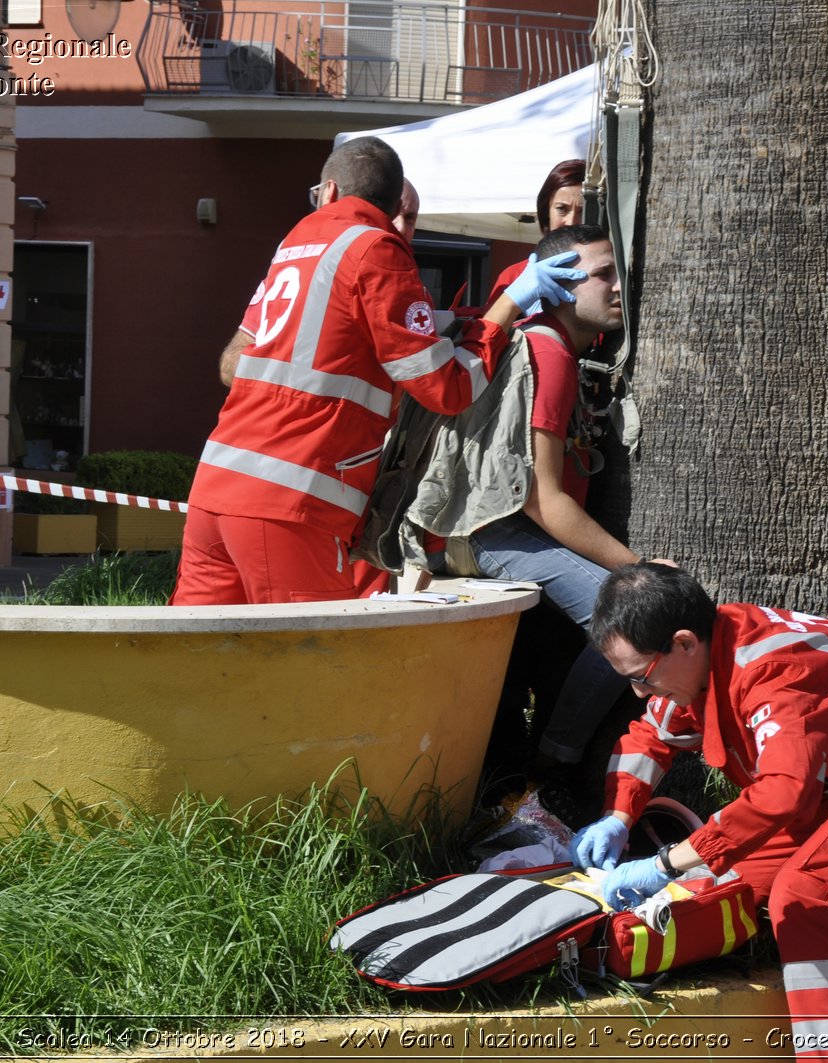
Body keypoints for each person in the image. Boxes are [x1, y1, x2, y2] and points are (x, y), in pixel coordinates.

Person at [571, 564, 828, 1062]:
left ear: (683, 643)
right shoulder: (703, 657)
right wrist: (618, 816)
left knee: (803, 898)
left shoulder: (776, 672)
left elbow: (783, 795)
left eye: (641, 677)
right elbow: (650, 738)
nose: (640, 693)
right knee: (733, 881)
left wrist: (664, 863)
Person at [174, 138, 584, 605]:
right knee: (314, 656)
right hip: (292, 496)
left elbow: (237, 363)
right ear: (392, 205)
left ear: (328, 192)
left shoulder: (295, 245)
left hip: (216, 484)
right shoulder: (378, 250)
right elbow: (447, 390)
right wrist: (506, 307)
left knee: (195, 653)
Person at [463, 224, 643, 780]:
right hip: (496, 535)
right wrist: (639, 571)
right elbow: (543, 498)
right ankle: (551, 769)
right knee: (631, 617)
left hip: (515, 536)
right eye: (602, 274)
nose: (619, 287)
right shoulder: (549, 352)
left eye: (621, 273)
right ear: (560, 285)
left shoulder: (550, 343)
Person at [218, 179, 421, 387]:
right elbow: (230, 365)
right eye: (391, 214)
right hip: (288, 415)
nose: (400, 227)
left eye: (410, 218)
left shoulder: (406, 287)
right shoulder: (303, 266)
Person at [485, 158, 587, 307]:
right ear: (546, 212)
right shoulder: (515, 276)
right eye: (562, 209)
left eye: (582, 211)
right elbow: (489, 329)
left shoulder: (614, 275)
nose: (571, 222)